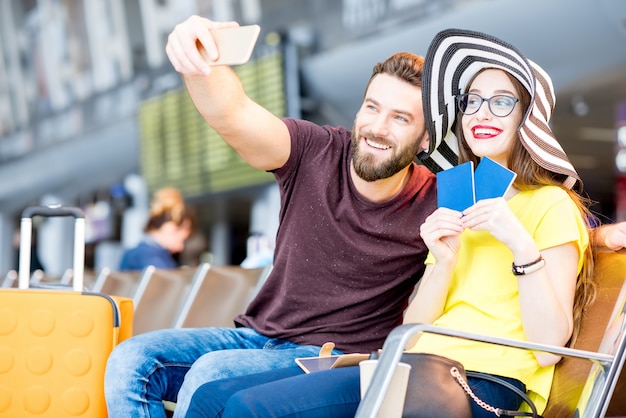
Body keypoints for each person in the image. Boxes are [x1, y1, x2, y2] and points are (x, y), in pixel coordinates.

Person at [181, 28, 600, 418]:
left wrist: (519, 244)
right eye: (472, 100)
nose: (482, 113)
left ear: (526, 117)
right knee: (210, 398)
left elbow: (547, 349)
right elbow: (412, 329)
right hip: (413, 364)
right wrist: (445, 262)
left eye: (502, 101)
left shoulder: (551, 205)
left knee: (249, 409)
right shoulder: (456, 198)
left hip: (485, 383)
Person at [104, 16, 439, 418]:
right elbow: (234, 113)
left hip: (333, 361)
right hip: (256, 337)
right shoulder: (315, 150)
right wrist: (198, 60)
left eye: (400, 118)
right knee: (130, 360)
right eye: (372, 107)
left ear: (426, 139)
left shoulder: (435, 200)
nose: (377, 127)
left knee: (211, 374)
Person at [118, 187, 194, 270]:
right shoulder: (152, 259)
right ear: (169, 228)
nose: (181, 247)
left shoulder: (135, 253)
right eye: (181, 239)